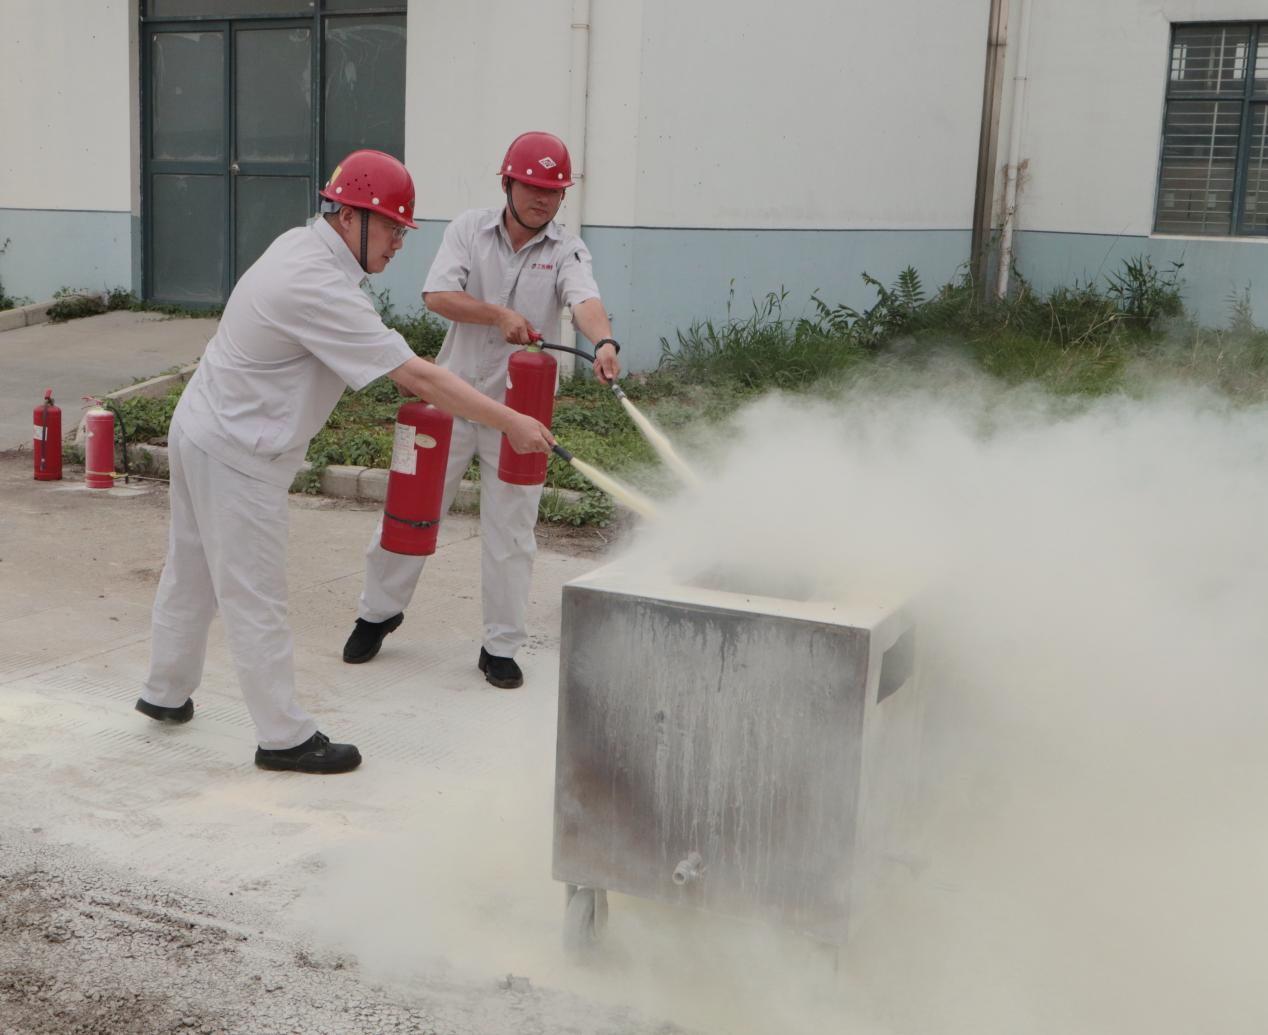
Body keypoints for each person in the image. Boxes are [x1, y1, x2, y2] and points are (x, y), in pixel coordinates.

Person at [134, 150, 554, 775]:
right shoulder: (317, 285)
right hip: (238, 452)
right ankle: (283, 736)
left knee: (191, 570)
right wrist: (510, 420)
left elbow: (396, 369)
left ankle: (165, 691)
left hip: (204, 427)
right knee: (253, 592)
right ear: (351, 216)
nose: (399, 245)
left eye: (403, 232)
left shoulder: (304, 250)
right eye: (391, 229)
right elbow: (417, 376)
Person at [342, 131, 620, 689]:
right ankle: (377, 613)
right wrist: (498, 315)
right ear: (507, 184)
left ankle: (500, 647)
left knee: (512, 533)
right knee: (408, 510)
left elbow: (584, 299)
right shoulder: (470, 229)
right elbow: (437, 296)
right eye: (533, 187)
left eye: (554, 191)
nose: (543, 199)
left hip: (520, 416)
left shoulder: (567, 250)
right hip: (447, 401)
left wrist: (605, 342)